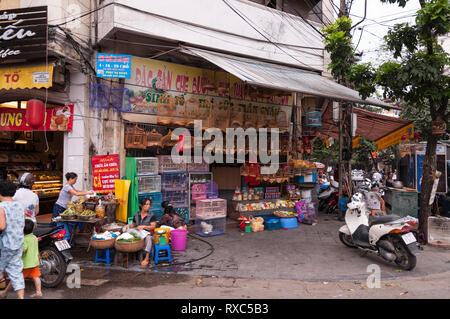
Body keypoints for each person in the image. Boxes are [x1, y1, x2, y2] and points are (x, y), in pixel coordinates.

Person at [1, 220, 42, 298]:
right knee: (36, 277)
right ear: (33, 229)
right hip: (34, 262)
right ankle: (38, 291)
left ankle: (5, 292)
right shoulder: (34, 237)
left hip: (26, 264)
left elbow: (23, 250)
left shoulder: (24, 239)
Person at [0, 180, 25, 299]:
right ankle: (21, 297)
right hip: (18, 243)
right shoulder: (19, 205)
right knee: (16, 272)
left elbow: (2, 226)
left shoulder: (1, 207)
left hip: (5, 244)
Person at [122, 198, 157, 268]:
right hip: (139, 233)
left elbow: (153, 227)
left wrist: (143, 226)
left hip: (148, 234)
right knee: (126, 235)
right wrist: (126, 226)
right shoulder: (136, 214)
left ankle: (147, 258)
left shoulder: (152, 215)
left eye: (149, 204)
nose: (148, 206)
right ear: (141, 205)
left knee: (148, 238)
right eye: (146, 204)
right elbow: (133, 225)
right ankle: (128, 255)